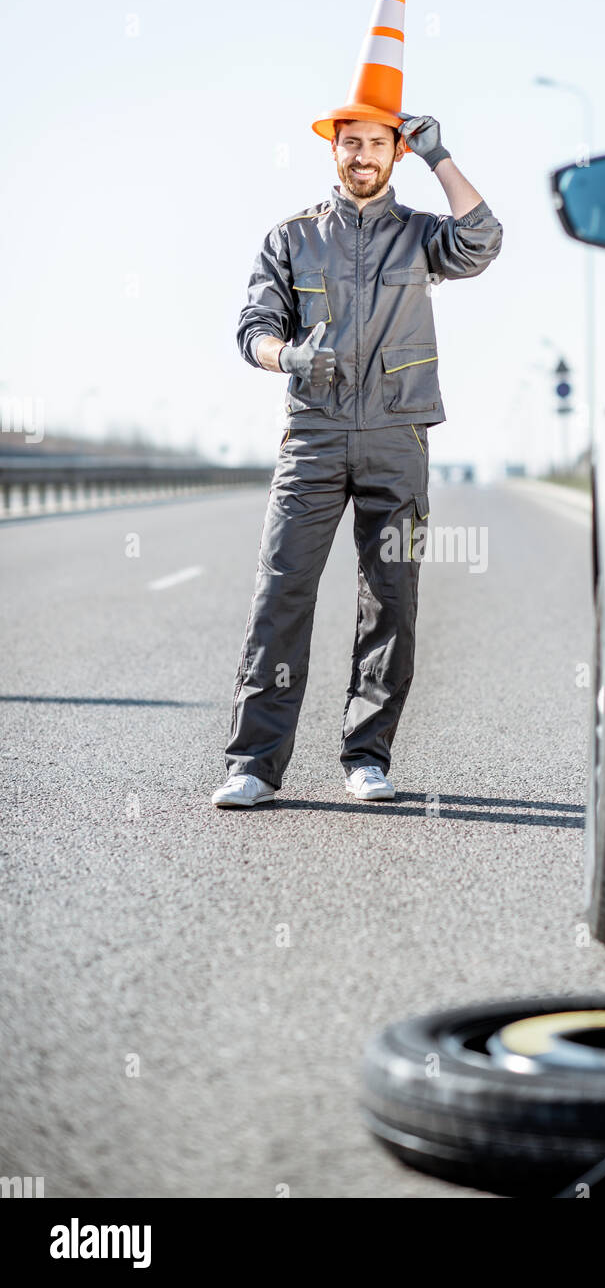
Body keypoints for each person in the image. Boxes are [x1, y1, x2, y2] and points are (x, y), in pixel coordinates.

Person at [212, 111, 502, 807]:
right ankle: (253, 764)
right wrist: (287, 356)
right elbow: (252, 329)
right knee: (281, 593)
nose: (362, 156)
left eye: (377, 144)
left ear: (394, 152)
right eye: (351, 144)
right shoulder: (292, 236)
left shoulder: (422, 236)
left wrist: (440, 156)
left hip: (397, 436)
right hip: (312, 436)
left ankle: (366, 756)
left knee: (390, 596)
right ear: (333, 150)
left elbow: (483, 239)